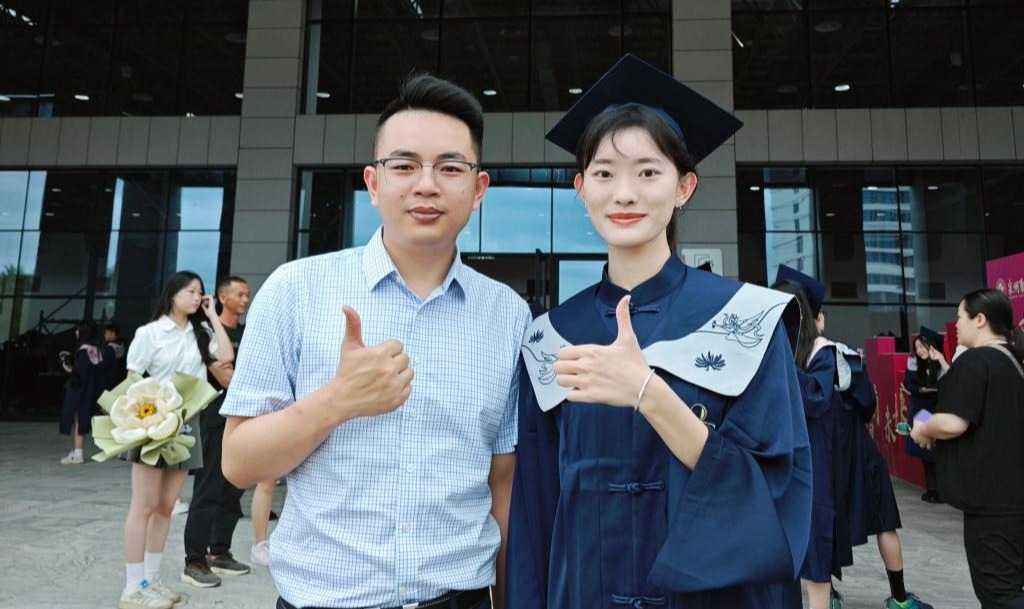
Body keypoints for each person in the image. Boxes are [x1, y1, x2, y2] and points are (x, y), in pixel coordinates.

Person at [506, 55, 812, 609]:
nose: (625, 194)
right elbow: (535, 512)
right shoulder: (552, 336)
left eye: (648, 172)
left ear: (684, 187)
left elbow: (777, 492)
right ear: (581, 188)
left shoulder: (746, 320)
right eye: (604, 174)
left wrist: (649, 393)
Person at [220, 73, 531, 609]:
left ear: (478, 189)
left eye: (450, 168)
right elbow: (239, 463)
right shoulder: (296, 290)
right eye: (404, 166)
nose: (426, 185)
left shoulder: (507, 314)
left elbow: (503, 482)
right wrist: (337, 401)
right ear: (373, 182)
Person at [117, 271, 234, 609]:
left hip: (186, 423)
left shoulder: (201, 332)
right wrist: (139, 423)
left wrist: (213, 315)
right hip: (152, 423)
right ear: (172, 294)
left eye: (200, 292)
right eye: (191, 292)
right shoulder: (150, 333)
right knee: (144, 505)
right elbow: (132, 379)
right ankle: (132, 587)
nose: (197, 297)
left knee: (166, 506)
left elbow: (226, 356)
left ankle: (151, 580)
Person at [912, 288, 1024, 609]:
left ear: (980, 320)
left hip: (991, 504)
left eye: (960, 316)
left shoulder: (977, 361)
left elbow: (953, 423)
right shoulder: (1012, 363)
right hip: (1012, 497)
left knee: (999, 593)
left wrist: (924, 427)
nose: (956, 324)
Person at [820, 316, 932, 609]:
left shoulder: (793, 359)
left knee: (821, 523)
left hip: (818, 453)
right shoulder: (842, 355)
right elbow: (867, 404)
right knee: (884, 520)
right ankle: (900, 599)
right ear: (820, 317)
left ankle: (827, 597)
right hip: (857, 449)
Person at [772, 266, 850, 609]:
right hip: (776, 456)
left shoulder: (822, 352)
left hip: (812, 457)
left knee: (814, 547)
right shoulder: (768, 347)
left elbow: (815, 398)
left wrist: (781, 363)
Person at [181, 276, 252, 588]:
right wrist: (250, 382)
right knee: (208, 491)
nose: (246, 299)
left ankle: (219, 551)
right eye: (240, 294)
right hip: (215, 420)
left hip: (244, 421)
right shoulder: (208, 333)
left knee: (234, 490)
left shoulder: (249, 333)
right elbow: (226, 377)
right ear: (223, 298)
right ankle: (194, 560)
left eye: (248, 295)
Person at [901, 327, 949, 503]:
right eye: (917, 347)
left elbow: (950, 382)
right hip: (921, 410)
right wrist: (921, 389)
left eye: (922, 347)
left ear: (932, 346)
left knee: (938, 451)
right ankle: (932, 490)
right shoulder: (913, 363)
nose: (919, 350)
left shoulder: (941, 364)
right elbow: (908, 384)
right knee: (925, 451)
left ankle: (942, 491)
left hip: (936, 409)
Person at [58, 322, 104, 465]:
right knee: (82, 420)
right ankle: (78, 453)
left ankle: (78, 454)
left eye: (78, 330)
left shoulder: (84, 351)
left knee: (78, 420)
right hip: (91, 389)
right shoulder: (95, 349)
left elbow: (80, 375)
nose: (76, 332)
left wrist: (69, 368)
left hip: (79, 391)